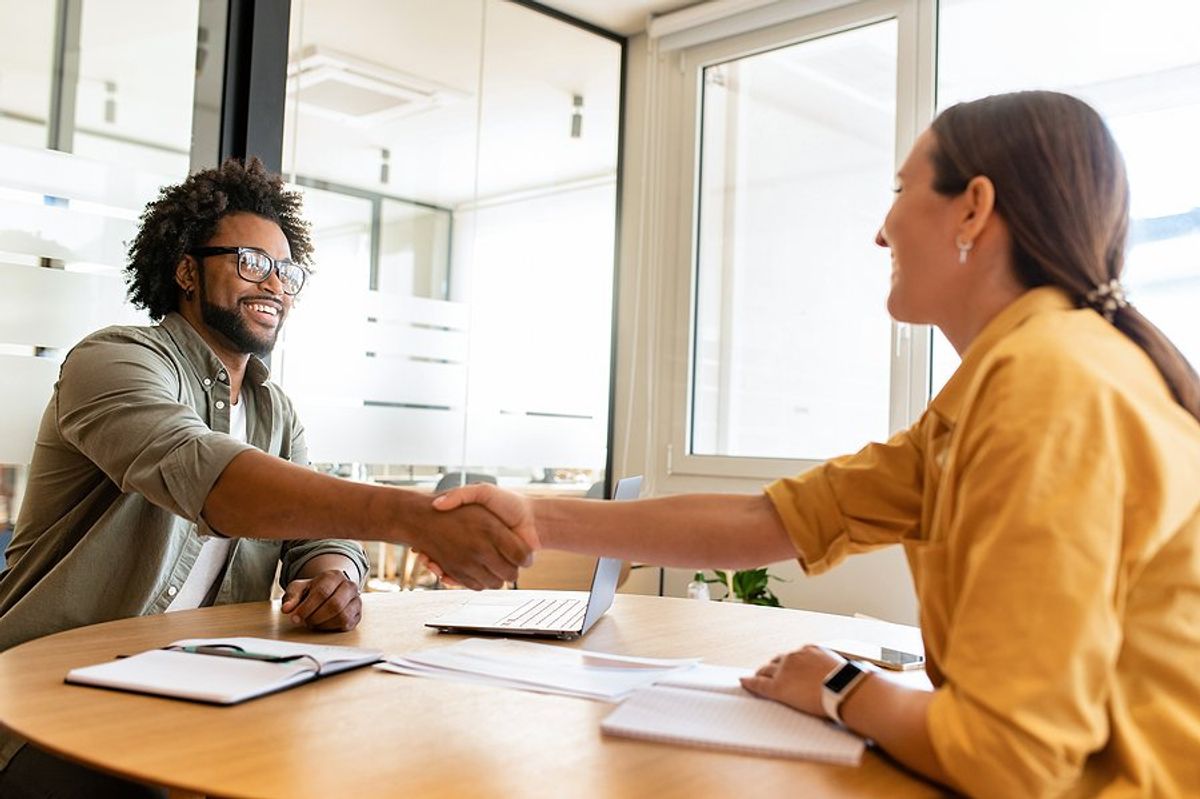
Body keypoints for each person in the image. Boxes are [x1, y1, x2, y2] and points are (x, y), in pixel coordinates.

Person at [433, 91, 1200, 797]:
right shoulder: (1007, 383)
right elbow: (766, 521)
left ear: (974, 209)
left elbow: (1010, 759)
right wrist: (531, 513)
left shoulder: (1051, 385)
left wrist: (840, 689)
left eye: (900, 191)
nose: (881, 229)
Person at [0, 158, 531, 797]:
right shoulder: (112, 359)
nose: (275, 285)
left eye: (288, 271)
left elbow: (318, 540)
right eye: (252, 262)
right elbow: (209, 478)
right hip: (49, 697)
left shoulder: (274, 411)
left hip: (201, 688)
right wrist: (410, 514)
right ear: (187, 269)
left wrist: (333, 577)